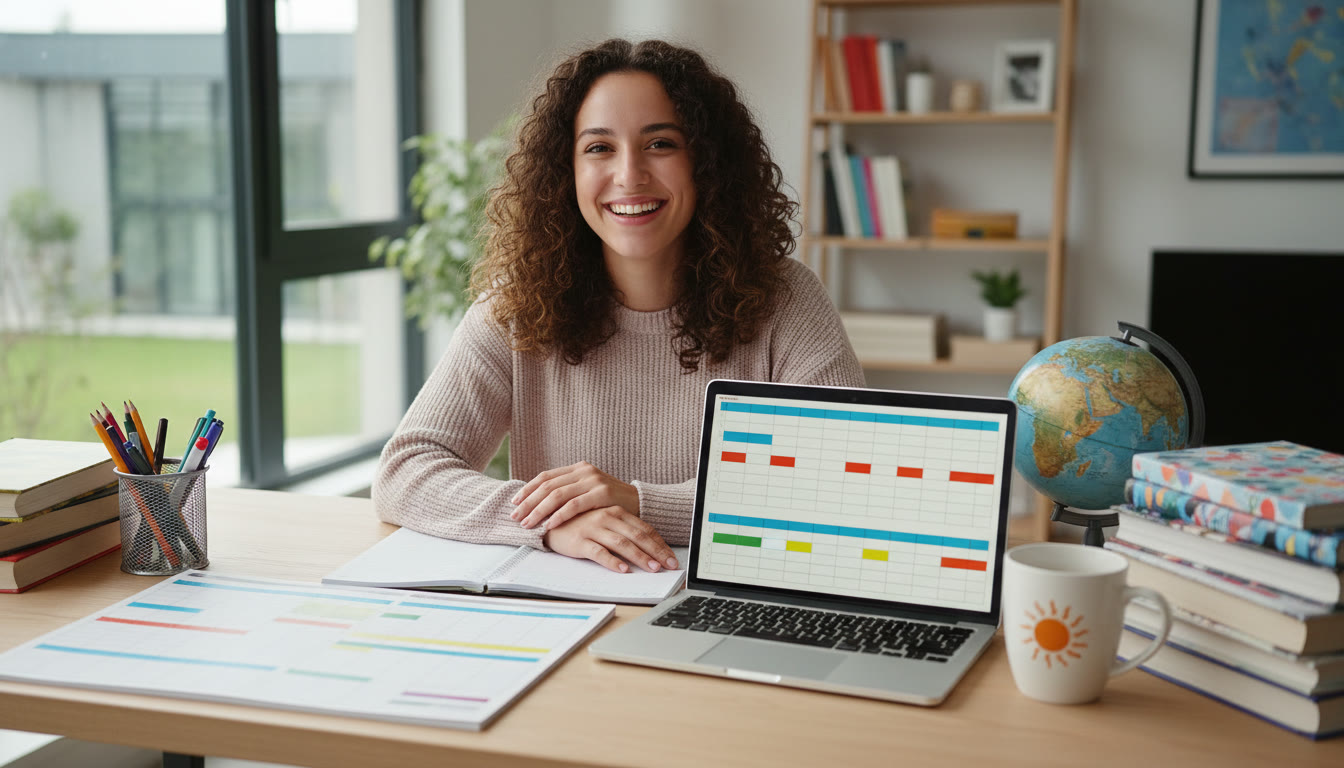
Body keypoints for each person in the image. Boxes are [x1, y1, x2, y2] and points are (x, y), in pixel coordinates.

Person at [373, 38, 864, 575]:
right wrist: (550, 523)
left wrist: (637, 501)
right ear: (567, 174)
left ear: (707, 161)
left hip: (731, 603)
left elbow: (839, 482)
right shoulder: (517, 305)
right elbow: (405, 470)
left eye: (660, 144)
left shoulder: (786, 301)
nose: (629, 175)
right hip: (564, 611)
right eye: (599, 148)